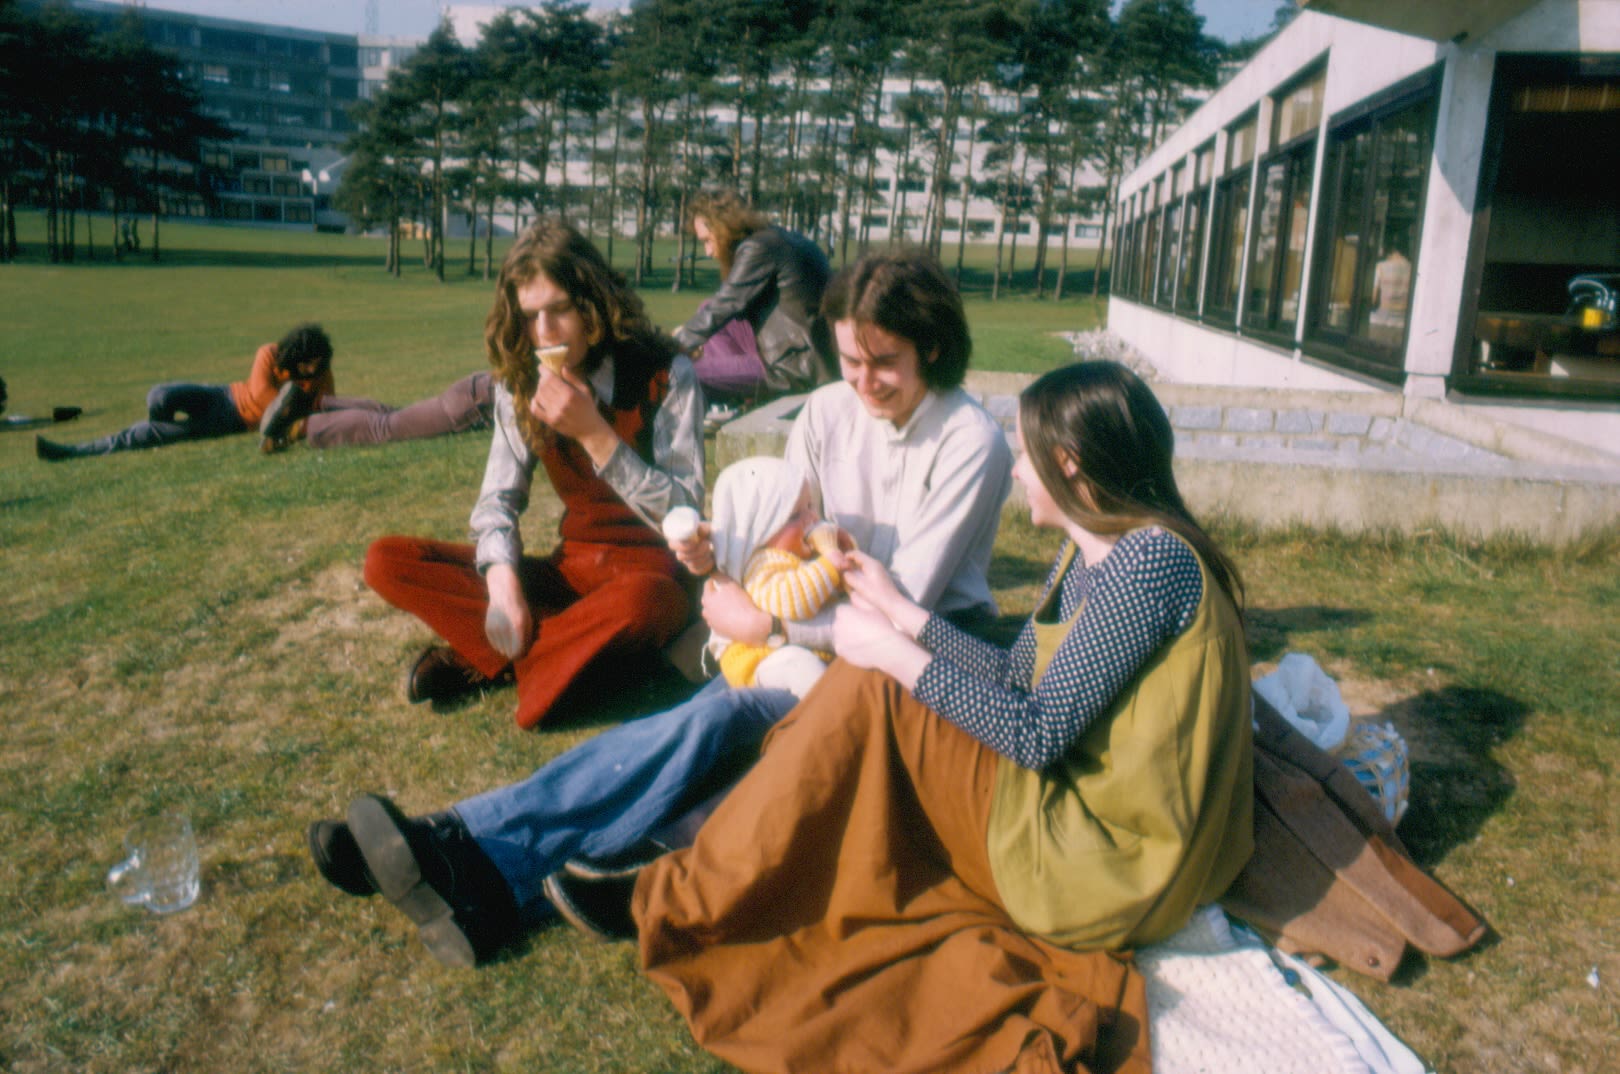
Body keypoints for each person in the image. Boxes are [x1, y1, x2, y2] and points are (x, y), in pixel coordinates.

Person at [306, 248, 1015, 967]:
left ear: (932, 344)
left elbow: (905, 612)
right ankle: (467, 853)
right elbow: (788, 534)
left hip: (915, 670)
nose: (862, 383)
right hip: (807, 636)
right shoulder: (830, 411)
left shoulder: (970, 442)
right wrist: (725, 563)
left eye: (883, 363)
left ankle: (470, 854)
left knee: (708, 722)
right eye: (849, 361)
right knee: (681, 731)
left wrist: (768, 623)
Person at [633, 361, 1256, 1074]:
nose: (1017, 470)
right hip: (1076, 812)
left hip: (1103, 862)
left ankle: (703, 881)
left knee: (872, 687)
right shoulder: (1098, 551)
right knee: (871, 687)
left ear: (1069, 463)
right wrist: (904, 614)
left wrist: (893, 653)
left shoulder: (1150, 563)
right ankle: (719, 862)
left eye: (1025, 453)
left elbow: (1034, 732)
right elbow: (1017, 676)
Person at [360, 218, 704, 732]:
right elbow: (496, 502)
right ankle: (555, 659)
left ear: (593, 303)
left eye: (560, 310)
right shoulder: (521, 385)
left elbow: (687, 516)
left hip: (648, 579)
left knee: (646, 602)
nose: (544, 333)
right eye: (529, 316)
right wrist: (502, 589)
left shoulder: (666, 372)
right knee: (388, 560)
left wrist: (594, 435)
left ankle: (501, 661)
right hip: (571, 577)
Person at [34, 323, 335, 461]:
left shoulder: (321, 376)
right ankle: (160, 427)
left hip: (232, 421)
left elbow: (325, 407)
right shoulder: (269, 353)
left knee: (145, 435)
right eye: (307, 363)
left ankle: (73, 452)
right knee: (159, 396)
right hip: (224, 395)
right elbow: (260, 395)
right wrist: (292, 409)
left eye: (317, 365)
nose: (311, 370)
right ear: (294, 354)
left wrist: (298, 417)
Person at [707, 455, 850, 700]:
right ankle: (830, 714)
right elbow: (792, 600)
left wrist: (847, 550)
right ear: (761, 528)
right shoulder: (762, 564)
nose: (812, 519)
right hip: (762, 658)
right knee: (803, 670)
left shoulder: (804, 556)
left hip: (799, 648)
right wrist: (830, 566)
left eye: (810, 506)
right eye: (795, 516)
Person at [674, 188, 833, 403]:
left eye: (708, 240)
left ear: (724, 229)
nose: (708, 252)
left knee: (683, 373)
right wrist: (689, 336)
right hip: (811, 353)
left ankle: (734, 383)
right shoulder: (776, 238)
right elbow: (719, 309)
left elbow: (724, 305)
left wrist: (667, 348)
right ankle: (736, 384)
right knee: (705, 307)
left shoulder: (758, 248)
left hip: (793, 369)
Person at [259, 370, 496, 453]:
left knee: (392, 416)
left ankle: (315, 404)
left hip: (476, 393)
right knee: (386, 427)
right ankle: (297, 427)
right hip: (475, 401)